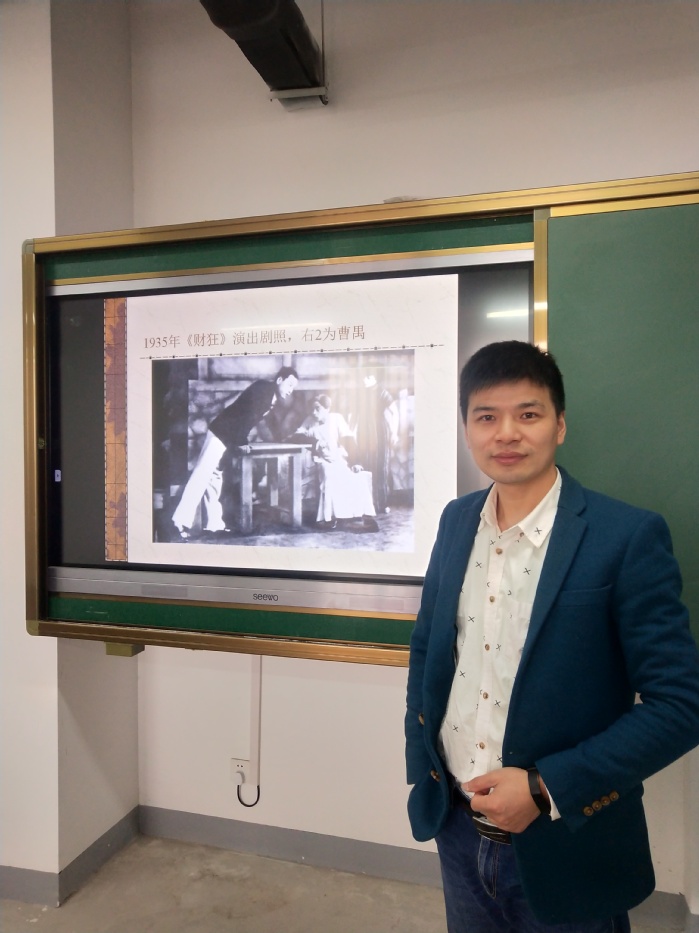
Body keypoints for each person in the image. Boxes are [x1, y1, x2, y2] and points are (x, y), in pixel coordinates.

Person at [405, 340, 699, 933]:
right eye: (486, 417)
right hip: (457, 828)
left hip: (568, 838)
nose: (506, 433)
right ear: (467, 429)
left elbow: (681, 704)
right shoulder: (456, 521)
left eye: (528, 414)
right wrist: (424, 767)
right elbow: (429, 650)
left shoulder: (626, 536)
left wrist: (545, 789)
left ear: (560, 425)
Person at [171, 366, 298, 538]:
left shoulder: (269, 395)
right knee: (201, 475)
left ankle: (214, 525)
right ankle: (179, 522)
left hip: (227, 436)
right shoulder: (264, 390)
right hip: (221, 432)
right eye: (289, 385)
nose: (290, 390)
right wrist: (242, 441)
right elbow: (247, 414)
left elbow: (254, 417)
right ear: (279, 380)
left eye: (293, 387)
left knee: (214, 478)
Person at [293, 395, 378, 532]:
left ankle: (366, 517)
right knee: (329, 478)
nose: (314, 412)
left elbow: (349, 441)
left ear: (327, 408)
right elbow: (296, 437)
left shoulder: (336, 419)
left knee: (356, 477)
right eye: (312, 409)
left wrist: (356, 462)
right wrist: (315, 442)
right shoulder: (309, 421)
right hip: (322, 460)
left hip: (339, 459)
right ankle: (329, 518)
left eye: (317, 408)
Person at [356, 372, 398, 514]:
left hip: (380, 432)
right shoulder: (362, 393)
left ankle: (383, 503)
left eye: (367, 377)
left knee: (382, 467)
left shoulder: (382, 393)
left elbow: (394, 412)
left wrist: (394, 432)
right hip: (364, 431)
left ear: (374, 378)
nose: (364, 379)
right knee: (366, 465)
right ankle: (368, 504)